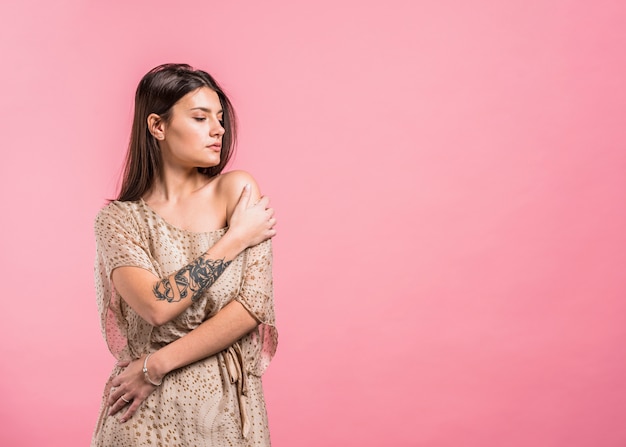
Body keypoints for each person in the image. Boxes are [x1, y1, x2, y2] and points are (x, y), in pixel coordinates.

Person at [91, 63, 278, 446]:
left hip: (226, 410)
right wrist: (234, 239)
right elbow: (156, 305)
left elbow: (252, 307)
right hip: (142, 416)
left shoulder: (236, 190)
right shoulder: (118, 220)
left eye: (220, 118)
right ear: (158, 126)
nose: (218, 130)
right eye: (200, 117)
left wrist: (155, 366)